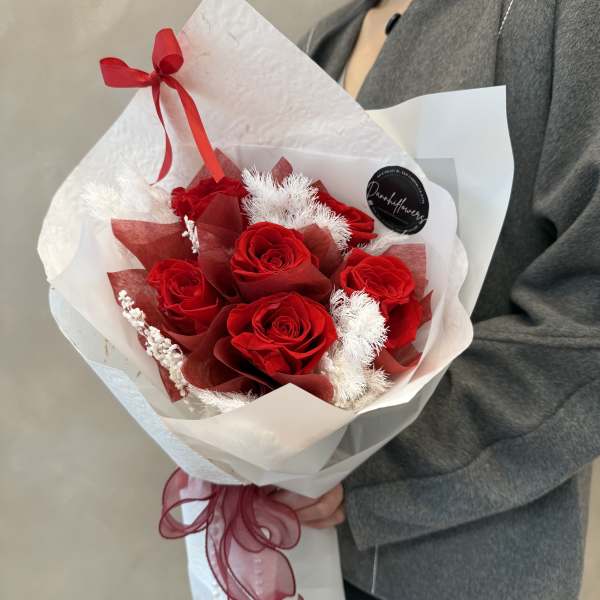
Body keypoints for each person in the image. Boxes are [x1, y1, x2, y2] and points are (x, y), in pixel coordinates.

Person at [274, 1, 600, 598]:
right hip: (292, 550)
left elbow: (589, 309)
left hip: (465, 556)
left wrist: (369, 458)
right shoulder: (321, 43)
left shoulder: (562, 16)